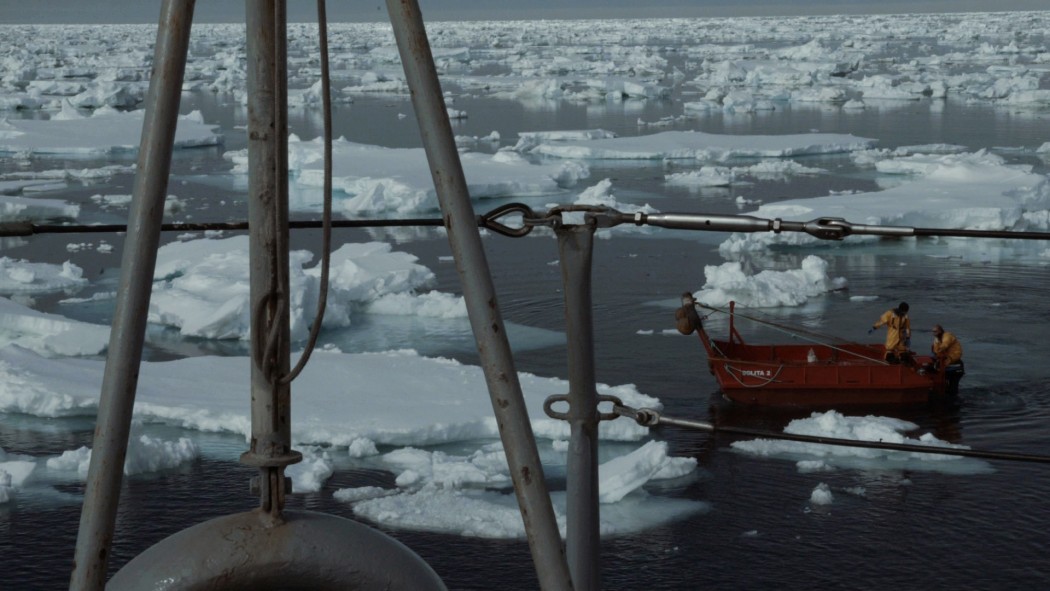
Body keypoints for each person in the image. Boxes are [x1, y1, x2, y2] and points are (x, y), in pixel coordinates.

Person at [932, 324, 965, 395]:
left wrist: (939, 350)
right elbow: (935, 350)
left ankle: (953, 397)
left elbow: (945, 344)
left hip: (954, 361)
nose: (934, 333)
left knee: (953, 386)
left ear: (940, 331)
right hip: (946, 362)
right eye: (933, 332)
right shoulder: (937, 339)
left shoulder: (947, 336)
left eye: (935, 331)